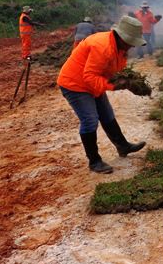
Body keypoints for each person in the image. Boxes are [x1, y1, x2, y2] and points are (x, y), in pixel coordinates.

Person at [57, 16, 148, 174]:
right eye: (130, 42)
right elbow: (90, 77)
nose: (132, 46)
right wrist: (114, 86)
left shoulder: (119, 48)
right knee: (90, 119)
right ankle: (94, 161)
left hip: (91, 82)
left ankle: (123, 146)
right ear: (121, 37)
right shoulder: (103, 47)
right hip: (74, 84)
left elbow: (113, 71)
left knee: (106, 114)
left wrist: (129, 81)